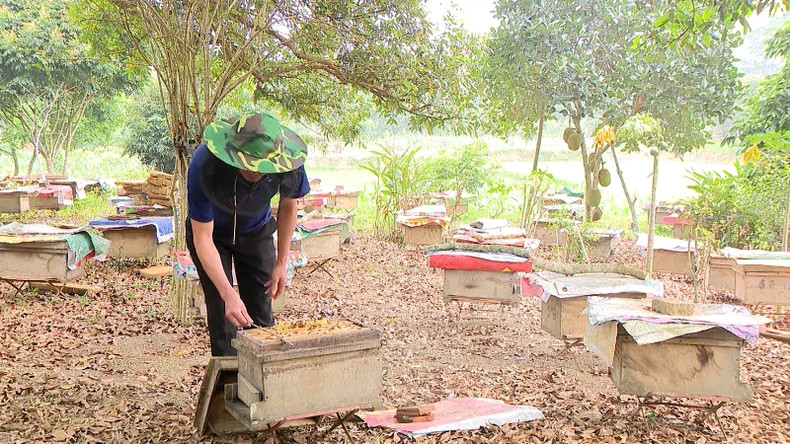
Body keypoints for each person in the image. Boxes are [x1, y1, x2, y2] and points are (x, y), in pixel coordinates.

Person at [186, 112, 310, 356]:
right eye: (249, 164)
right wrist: (228, 293)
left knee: (261, 317)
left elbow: (288, 204)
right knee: (224, 315)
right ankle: (228, 386)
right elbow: (202, 238)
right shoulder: (204, 164)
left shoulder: (290, 164)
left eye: (262, 166)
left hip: (256, 231)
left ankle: (265, 387)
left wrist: (281, 261)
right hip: (213, 237)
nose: (256, 173)